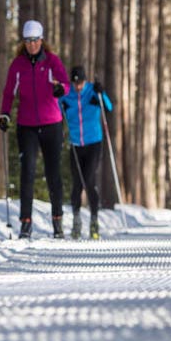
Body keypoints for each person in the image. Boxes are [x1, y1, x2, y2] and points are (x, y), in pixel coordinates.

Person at [0, 20, 69, 239]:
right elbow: (9, 92)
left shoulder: (52, 61)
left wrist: (60, 89)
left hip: (51, 124)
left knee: (53, 173)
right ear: (24, 42)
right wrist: (5, 113)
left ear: (41, 40)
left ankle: (57, 221)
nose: (32, 45)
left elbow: (65, 84)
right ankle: (25, 223)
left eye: (35, 40)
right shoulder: (18, 64)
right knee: (27, 172)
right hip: (26, 125)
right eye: (28, 41)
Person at [60, 66, 113, 240]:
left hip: (93, 143)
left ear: (85, 81)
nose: (78, 87)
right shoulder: (66, 95)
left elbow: (108, 107)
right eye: (75, 83)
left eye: (80, 83)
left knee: (89, 181)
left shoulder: (92, 91)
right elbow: (56, 110)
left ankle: (94, 221)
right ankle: (76, 221)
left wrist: (101, 93)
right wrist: (56, 96)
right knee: (77, 184)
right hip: (76, 144)